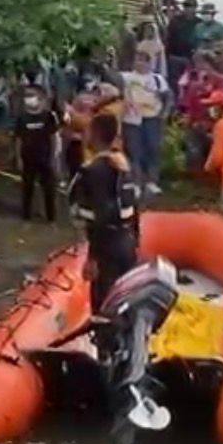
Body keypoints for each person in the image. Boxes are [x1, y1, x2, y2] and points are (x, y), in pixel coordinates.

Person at [68, 114, 139, 313]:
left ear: (96, 134)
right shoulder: (123, 165)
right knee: (124, 301)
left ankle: (107, 341)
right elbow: (134, 207)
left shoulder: (93, 171)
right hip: (127, 242)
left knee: (104, 305)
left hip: (107, 248)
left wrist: (92, 257)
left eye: (88, 131)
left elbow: (100, 216)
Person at [121, 48, 172, 196]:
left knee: (152, 149)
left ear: (150, 63)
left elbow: (167, 96)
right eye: (137, 59)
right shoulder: (126, 77)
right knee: (134, 150)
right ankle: (136, 182)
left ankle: (151, 181)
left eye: (144, 60)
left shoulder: (157, 79)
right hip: (131, 118)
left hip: (152, 117)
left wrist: (164, 113)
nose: (140, 63)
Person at [177, 51, 223, 172]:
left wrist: (208, 100)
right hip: (196, 123)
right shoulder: (194, 83)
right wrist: (189, 120)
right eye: (196, 62)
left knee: (216, 153)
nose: (198, 65)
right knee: (194, 153)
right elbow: (190, 104)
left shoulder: (222, 79)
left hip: (215, 123)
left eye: (201, 62)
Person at [13, 85, 60, 222]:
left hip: (45, 158)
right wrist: (18, 159)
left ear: (40, 99)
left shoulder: (48, 116)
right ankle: (26, 216)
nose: (29, 99)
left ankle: (51, 217)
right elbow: (18, 139)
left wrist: (54, 157)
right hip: (28, 158)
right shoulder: (21, 118)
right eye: (27, 96)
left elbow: (54, 137)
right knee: (27, 188)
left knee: (49, 189)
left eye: (32, 96)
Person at [164, 0, 200, 95]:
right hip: (175, 56)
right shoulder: (175, 21)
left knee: (190, 80)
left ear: (195, 8)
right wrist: (167, 55)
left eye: (192, 7)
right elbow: (168, 37)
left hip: (191, 57)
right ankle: (176, 104)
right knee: (174, 82)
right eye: (187, 6)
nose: (189, 9)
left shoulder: (199, 23)